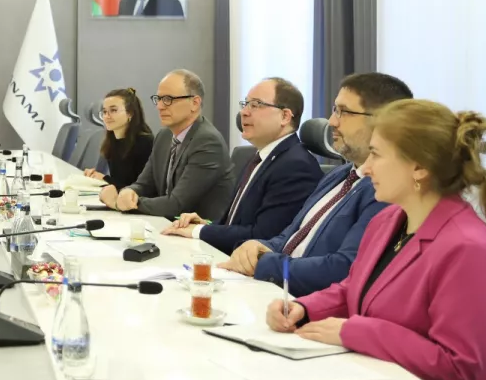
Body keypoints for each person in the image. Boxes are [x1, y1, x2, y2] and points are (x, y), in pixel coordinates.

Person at [267, 100, 486, 380]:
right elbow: (356, 288)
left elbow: (459, 368)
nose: (366, 169)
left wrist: (355, 332)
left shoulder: (469, 249)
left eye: (376, 155)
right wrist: (304, 309)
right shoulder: (388, 220)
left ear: (418, 167)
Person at [220, 73, 413, 295]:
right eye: (334, 110)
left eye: (343, 112)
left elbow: (343, 269)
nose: (332, 121)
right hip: (275, 291)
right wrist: (258, 247)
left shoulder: (383, 190)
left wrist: (266, 263)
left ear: (383, 121)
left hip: (301, 301)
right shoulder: (338, 175)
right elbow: (290, 235)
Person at [163, 78, 322, 253]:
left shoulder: (295, 166)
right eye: (245, 104)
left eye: (255, 105)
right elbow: (237, 223)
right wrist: (206, 225)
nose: (244, 113)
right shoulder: (258, 157)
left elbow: (263, 237)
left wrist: (199, 231)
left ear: (284, 116)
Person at [99, 70, 234, 221]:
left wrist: (121, 203)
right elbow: (144, 184)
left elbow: (176, 205)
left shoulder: (207, 142)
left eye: (168, 99)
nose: (160, 106)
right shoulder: (164, 136)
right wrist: (129, 192)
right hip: (166, 224)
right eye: (158, 99)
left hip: (198, 231)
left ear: (194, 103)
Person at [82, 87, 154, 190]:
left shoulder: (145, 143)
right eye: (104, 111)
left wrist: (104, 179)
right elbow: (119, 182)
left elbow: (140, 189)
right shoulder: (112, 141)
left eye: (113, 110)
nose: (107, 116)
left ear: (130, 113)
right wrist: (96, 177)